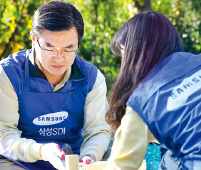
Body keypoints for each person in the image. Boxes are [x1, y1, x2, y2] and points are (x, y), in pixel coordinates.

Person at [0, 1, 111, 170]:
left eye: (68, 49)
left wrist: (89, 157)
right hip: (17, 161)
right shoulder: (8, 74)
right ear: (33, 39)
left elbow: (97, 132)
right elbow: (4, 135)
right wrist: (42, 150)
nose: (59, 58)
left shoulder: (93, 78)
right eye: (49, 48)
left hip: (74, 162)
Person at [104, 10, 201, 170]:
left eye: (124, 56)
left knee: (168, 159)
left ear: (134, 56)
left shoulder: (143, 100)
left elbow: (121, 166)